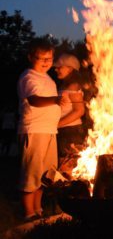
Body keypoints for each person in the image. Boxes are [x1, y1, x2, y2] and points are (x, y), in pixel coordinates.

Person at [17, 39, 69, 221]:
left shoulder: (48, 79)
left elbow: (51, 103)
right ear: (31, 57)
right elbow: (34, 100)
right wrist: (55, 100)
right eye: (41, 58)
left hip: (49, 131)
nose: (47, 62)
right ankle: (28, 213)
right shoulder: (29, 77)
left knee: (45, 175)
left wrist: (61, 106)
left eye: (49, 58)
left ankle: (38, 209)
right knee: (31, 174)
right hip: (34, 130)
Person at [54, 53, 86, 173]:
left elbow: (79, 111)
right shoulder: (64, 85)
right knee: (61, 165)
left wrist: (57, 124)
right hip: (64, 130)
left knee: (66, 167)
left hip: (70, 132)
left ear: (70, 68)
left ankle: (71, 190)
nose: (56, 69)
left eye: (60, 67)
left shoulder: (73, 86)